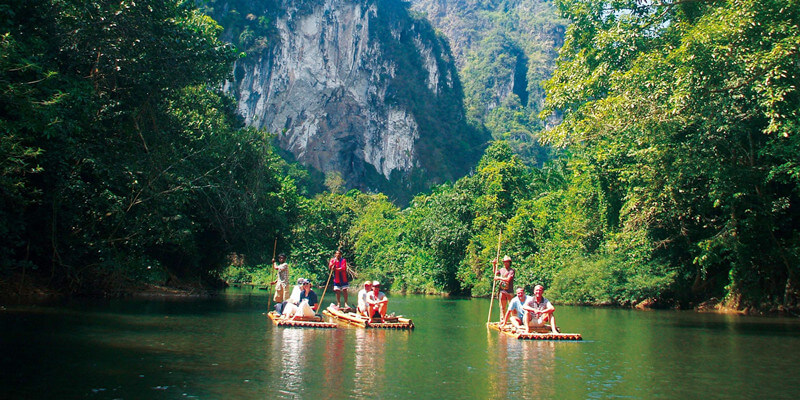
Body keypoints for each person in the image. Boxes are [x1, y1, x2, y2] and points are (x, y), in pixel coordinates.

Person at [493, 255, 515, 320]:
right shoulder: (502, 269)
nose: (506, 263)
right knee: (502, 307)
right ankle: (502, 320)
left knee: (511, 307)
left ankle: (513, 319)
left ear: (509, 263)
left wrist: (499, 278)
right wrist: (494, 265)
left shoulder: (511, 271)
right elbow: (495, 273)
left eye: (507, 262)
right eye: (505, 262)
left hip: (509, 291)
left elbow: (508, 279)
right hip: (502, 291)